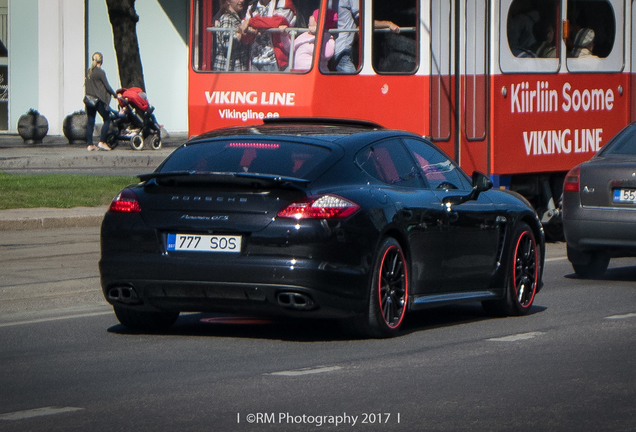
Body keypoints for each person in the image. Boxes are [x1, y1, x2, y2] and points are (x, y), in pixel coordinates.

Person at [330, 0, 400, 73]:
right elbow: (364, 21)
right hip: (342, 52)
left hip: (331, 52)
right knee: (354, 83)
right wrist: (388, 24)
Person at [241, 0, 297, 71]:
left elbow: (278, 21)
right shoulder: (252, 6)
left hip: (274, 62)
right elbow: (243, 29)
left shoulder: (284, 2)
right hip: (254, 61)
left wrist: (250, 22)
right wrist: (249, 30)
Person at [84, 52, 117, 151]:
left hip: (89, 100)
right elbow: (107, 86)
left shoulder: (89, 71)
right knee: (107, 119)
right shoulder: (100, 72)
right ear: (101, 60)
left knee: (90, 122)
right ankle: (102, 142)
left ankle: (90, 145)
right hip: (98, 100)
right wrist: (115, 95)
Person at [213, 0, 250, 71]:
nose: (241, 1)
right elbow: (228, 44)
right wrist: (240, 31)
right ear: (228, 1)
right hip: (227, 70)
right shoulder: (227, 18)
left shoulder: (237, 18)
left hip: (235, 69)